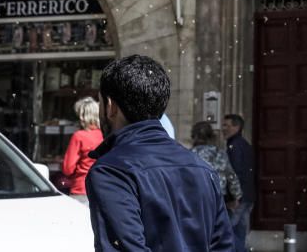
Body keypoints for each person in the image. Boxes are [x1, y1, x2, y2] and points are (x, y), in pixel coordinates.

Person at [86, 55, 233, 252]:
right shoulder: (202, 169)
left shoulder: (111, 171)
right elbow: (223, 246)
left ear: (111, 106)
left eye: (101, 103)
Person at [222, 114, 256, 252]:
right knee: (240, 232)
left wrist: (233, 197)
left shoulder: (234, 146)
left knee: (225, 231)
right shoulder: (244, 144)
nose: (223, 128)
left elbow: (234, 173)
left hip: (239, 197)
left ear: (237, 127)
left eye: (227, 125)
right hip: (248, 195)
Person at [191, 121, 244, 208]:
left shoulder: (189, 154)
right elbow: (230, 175)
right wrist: (237, 195)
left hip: (197, 196)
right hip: (218, 195)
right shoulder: (219, 153)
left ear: (194, 136)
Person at [62, 96, 103, 203]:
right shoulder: (105, 135)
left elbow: (68, 168)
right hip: (102, 188)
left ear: (82, 116)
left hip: (81, 189)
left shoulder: (79, 136)